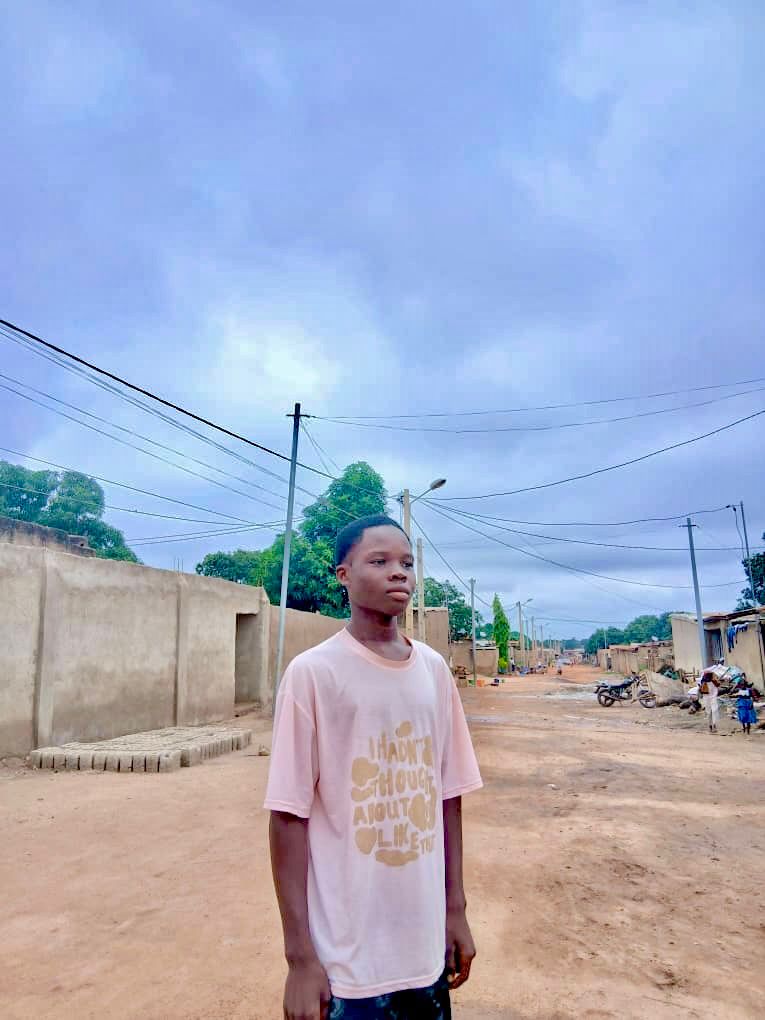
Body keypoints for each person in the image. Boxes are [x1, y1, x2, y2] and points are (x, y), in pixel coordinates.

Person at [265, 514, 483, 1020]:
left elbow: (447, 798)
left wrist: (455, 911)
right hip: (347, 961)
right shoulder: (313, 674)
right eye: (379, 561)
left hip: (424, 951)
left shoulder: (433, 671)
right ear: (342, 574)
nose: (399, 572)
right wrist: (300, 959)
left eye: (406, 563)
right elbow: (287, 817)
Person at [699, 666, 721, 733]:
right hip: (708, 698)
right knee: (710, 712)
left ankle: (713, 725)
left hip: (711, 698)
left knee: (713, 711)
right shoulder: (705, 683)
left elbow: (716, 689)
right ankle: (711, 725)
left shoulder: (712, 682)